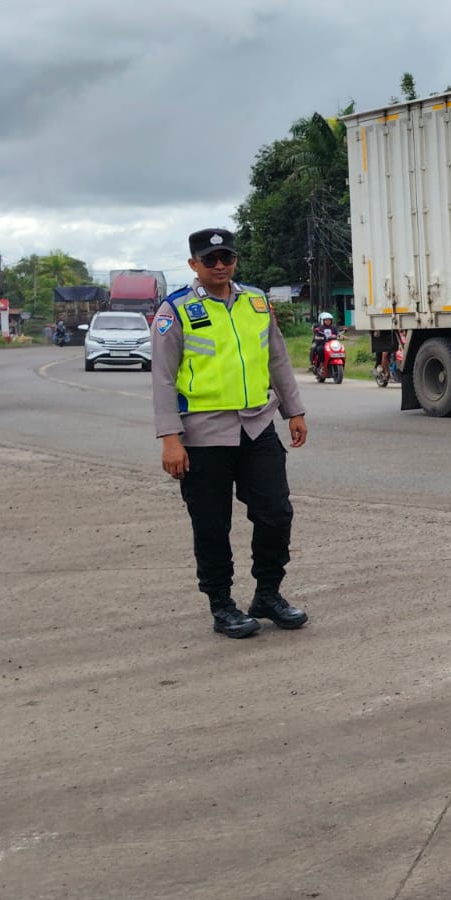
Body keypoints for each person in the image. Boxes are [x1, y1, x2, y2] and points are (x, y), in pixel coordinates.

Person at [151, 228, 309, 639]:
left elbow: (277, 358)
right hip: (202, 435)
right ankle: (221, 605)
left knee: (276, 513)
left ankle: (268, 595)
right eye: (210, 260)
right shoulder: (176, 310)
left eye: (227, 257)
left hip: (258, 425)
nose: (219, 266)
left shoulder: (256, 302)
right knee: (211, 524)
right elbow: (163, 378)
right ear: (193, 264)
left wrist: (294, 411)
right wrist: (170, 438)